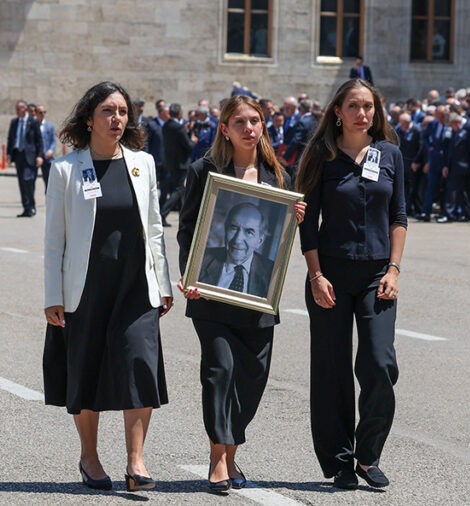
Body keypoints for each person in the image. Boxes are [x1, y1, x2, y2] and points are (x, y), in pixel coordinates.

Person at [43, 81, 173, 493]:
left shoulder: (142, 163)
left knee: (140, 364)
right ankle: (90, 457)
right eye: (107, 111)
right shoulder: (66, 169)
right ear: (89, 118)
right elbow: (54, 240)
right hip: (87, 286)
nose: (117, 119)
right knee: (88, 368)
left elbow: (154, 229)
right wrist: (53, 296)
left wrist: (163, 281)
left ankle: (137, 462)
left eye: (122, 112)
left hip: (136, 285)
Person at [177, 94, 305, 494]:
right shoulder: (205, 171)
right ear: (224, 129)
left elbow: (280, 240)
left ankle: (231, 450)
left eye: (255, 121)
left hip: (258, 300)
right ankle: (217, 457)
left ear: (263, 126)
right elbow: (187, 230)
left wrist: (294, 218)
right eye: (240, 122)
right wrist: (190, 275)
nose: (249, 128)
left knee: (252, 377)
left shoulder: (278, 176)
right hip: (211, 295)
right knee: (219, 371)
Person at [296, 78, 407, 490]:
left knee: (379, 363)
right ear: (337, 112)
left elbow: (399, 217)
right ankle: (340, 461)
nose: (363, 113)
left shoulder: (390, 154)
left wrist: (394, 269)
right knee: (331, 369)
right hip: (331, 275)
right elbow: (307, 223)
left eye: (369, 107)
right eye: (354, 106)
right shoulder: (321, 157)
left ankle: (368, 455)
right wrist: (316, 275)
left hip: (377, 274)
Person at [199, 203, 273, 297]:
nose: (238, 239)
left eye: (249, 232)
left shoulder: (272, 273)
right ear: (225, 229)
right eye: (233, 228)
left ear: (260, 241)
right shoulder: (202, 259)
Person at [6, 100, 43, 217]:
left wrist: (39, 156)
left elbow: (39, 140)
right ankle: (26, 208)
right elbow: (10, 139)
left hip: (30, 156)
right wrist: (8, 154)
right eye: (16, 109)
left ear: (25, 109)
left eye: (19, 108)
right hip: (18, 154)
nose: (17, 111)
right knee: (21, 182)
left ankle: (32, 206)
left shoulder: (33, 122)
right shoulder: (14, 122)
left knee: (28, 180)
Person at [160, 103, 194, 220]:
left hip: (171, 162)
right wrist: (194, 139)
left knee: (180, 190)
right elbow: (188, 145)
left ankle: (183, 215)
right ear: (179, 113)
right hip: (181, 164)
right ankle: (163, 213)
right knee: (179, 189)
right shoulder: (179, 128)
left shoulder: (166, 125)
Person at [416, 105, 449, 221]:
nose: (440, 116)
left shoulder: (449, 124)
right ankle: (426, 212)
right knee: (431, 187)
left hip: (446, 161)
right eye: (438, 114)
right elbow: (424, 137)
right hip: (434, 160)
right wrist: (430, 147)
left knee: (445, 188)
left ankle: (445, 213)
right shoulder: (432, 124)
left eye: (442, 114)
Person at [439, 113, 470, 222]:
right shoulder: (455, 130)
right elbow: (451, 149)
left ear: (457, 122)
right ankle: (463, 213)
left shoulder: (469, 128)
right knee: (456, 190)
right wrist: (446, 165)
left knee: (462, 191)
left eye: (451, 125)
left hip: (465, 166)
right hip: (455, 166)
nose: (451, 128)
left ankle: (450, 214)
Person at [396, 112, 424, 216]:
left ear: (408, 123)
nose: (401, 125)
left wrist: (417, 161)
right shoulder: (399, 130)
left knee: (414, 187)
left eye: (402, 123)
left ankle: (416, 209)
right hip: (402, 163)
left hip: (413, 163)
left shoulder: (417, 130)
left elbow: (421, 147)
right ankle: (405, 209)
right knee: (403, 187)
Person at [36, 104, 56, 190]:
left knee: (48, 180)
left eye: (44, 112)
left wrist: (51, 150)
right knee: (31, 180)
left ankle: (48, 199)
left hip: (47, 157)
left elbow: (53, 140)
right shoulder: (33, 125)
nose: (43, 114)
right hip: (36, 157)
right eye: (40, 112)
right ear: (36, 113)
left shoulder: (50, 126)